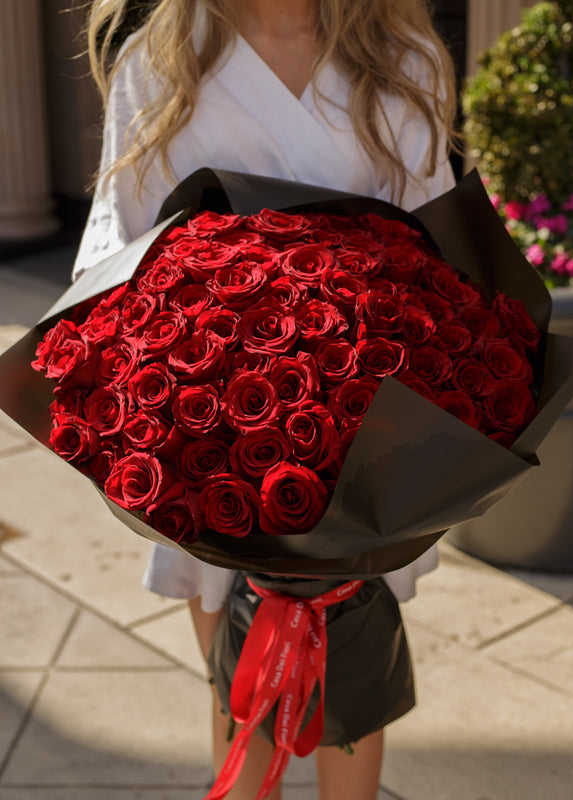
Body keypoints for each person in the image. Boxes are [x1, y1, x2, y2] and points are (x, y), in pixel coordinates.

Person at [75, 2, 459, 798]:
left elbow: (440, 264)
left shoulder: (401, 52)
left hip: (365, 461)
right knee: (240, 702)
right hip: (211, 455)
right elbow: (118, 252)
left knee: (350, 704)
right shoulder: (164, 59)